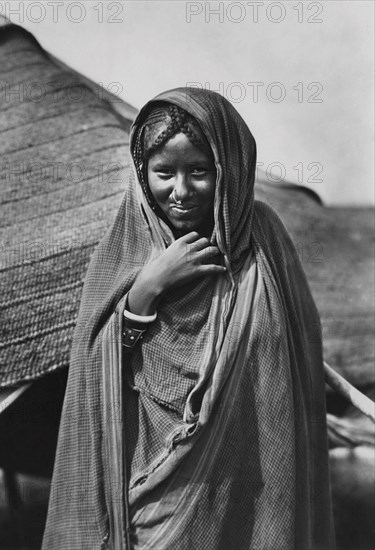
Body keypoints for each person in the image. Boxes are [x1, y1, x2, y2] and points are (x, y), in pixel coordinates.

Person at [43, 88, 335, 549]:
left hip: (252, 481)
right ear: (144, 173)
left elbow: (297, 361)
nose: (180, 191)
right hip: (151, 481)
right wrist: (147, 288)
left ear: (229, 168)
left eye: (198, 171)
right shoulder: (129, 236)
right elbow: (94, 366)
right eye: (164, 172)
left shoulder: (263, 239)